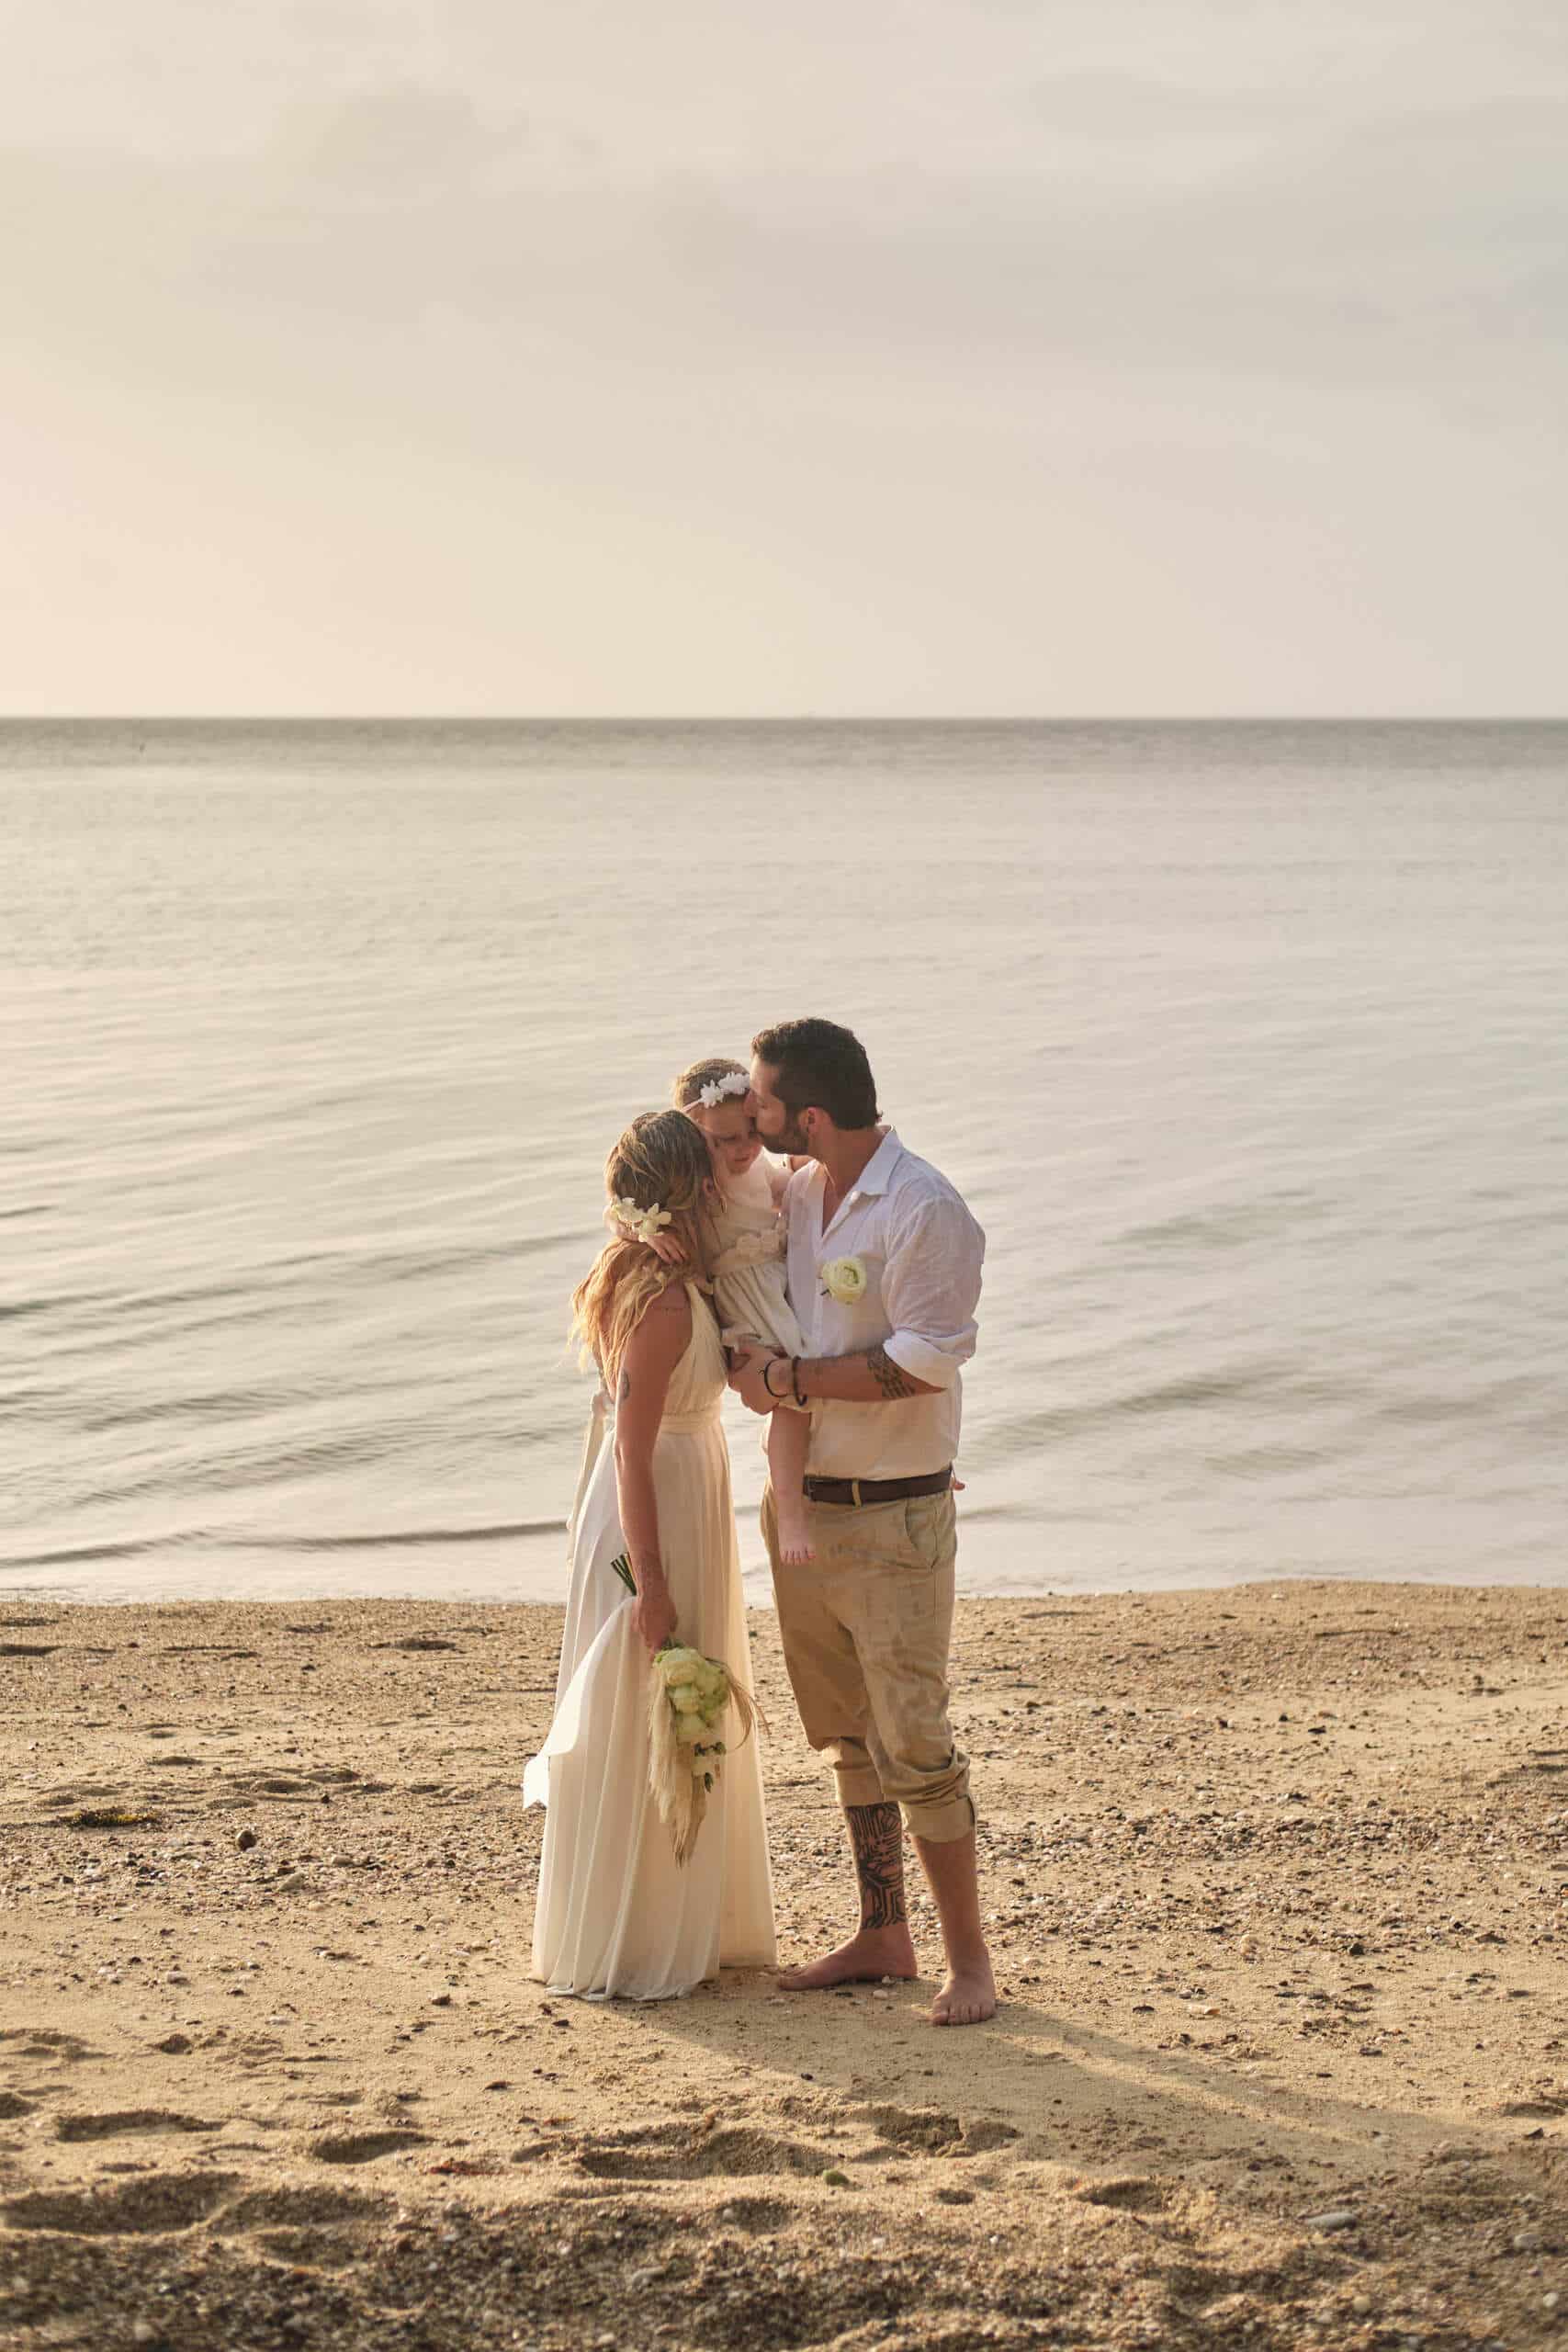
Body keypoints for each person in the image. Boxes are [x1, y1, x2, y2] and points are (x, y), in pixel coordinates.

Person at [730, 1018, 996, 2027]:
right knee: (848, 1737)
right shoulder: (798, 1193)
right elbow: (709, 1189)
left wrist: (790, 1380)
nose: (750, 1112)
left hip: (895, 1519)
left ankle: (969, 1964)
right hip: (802, 1512)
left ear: (807, 1115)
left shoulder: (925, 1208)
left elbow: (926, 1360)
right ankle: (884, 1933)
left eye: (761, 1099)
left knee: (915, 1742)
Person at [525, 1108, 775, 2000]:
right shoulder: (661, 1301)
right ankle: (633, 1940)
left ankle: (672, 1919)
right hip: (652, 1511)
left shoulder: (664, 1276)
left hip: (679, 1494)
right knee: (644, 1715)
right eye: (712, 1171)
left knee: (664, 1713)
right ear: (690, 1192)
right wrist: (654, 1584)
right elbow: (633, 1452)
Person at [668, 1057, 817, 1566]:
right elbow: (624, 1205)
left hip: (778, 1281)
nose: (743, 1148)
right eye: (725, 1139)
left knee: (818, 1369)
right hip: (745, 1293)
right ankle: (790, 1511)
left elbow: (788, 1189)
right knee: (791, 1393)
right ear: (693, 1131)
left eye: (752, 1132)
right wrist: (646, 1231)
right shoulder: (690, 1178)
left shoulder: (756, 1165)